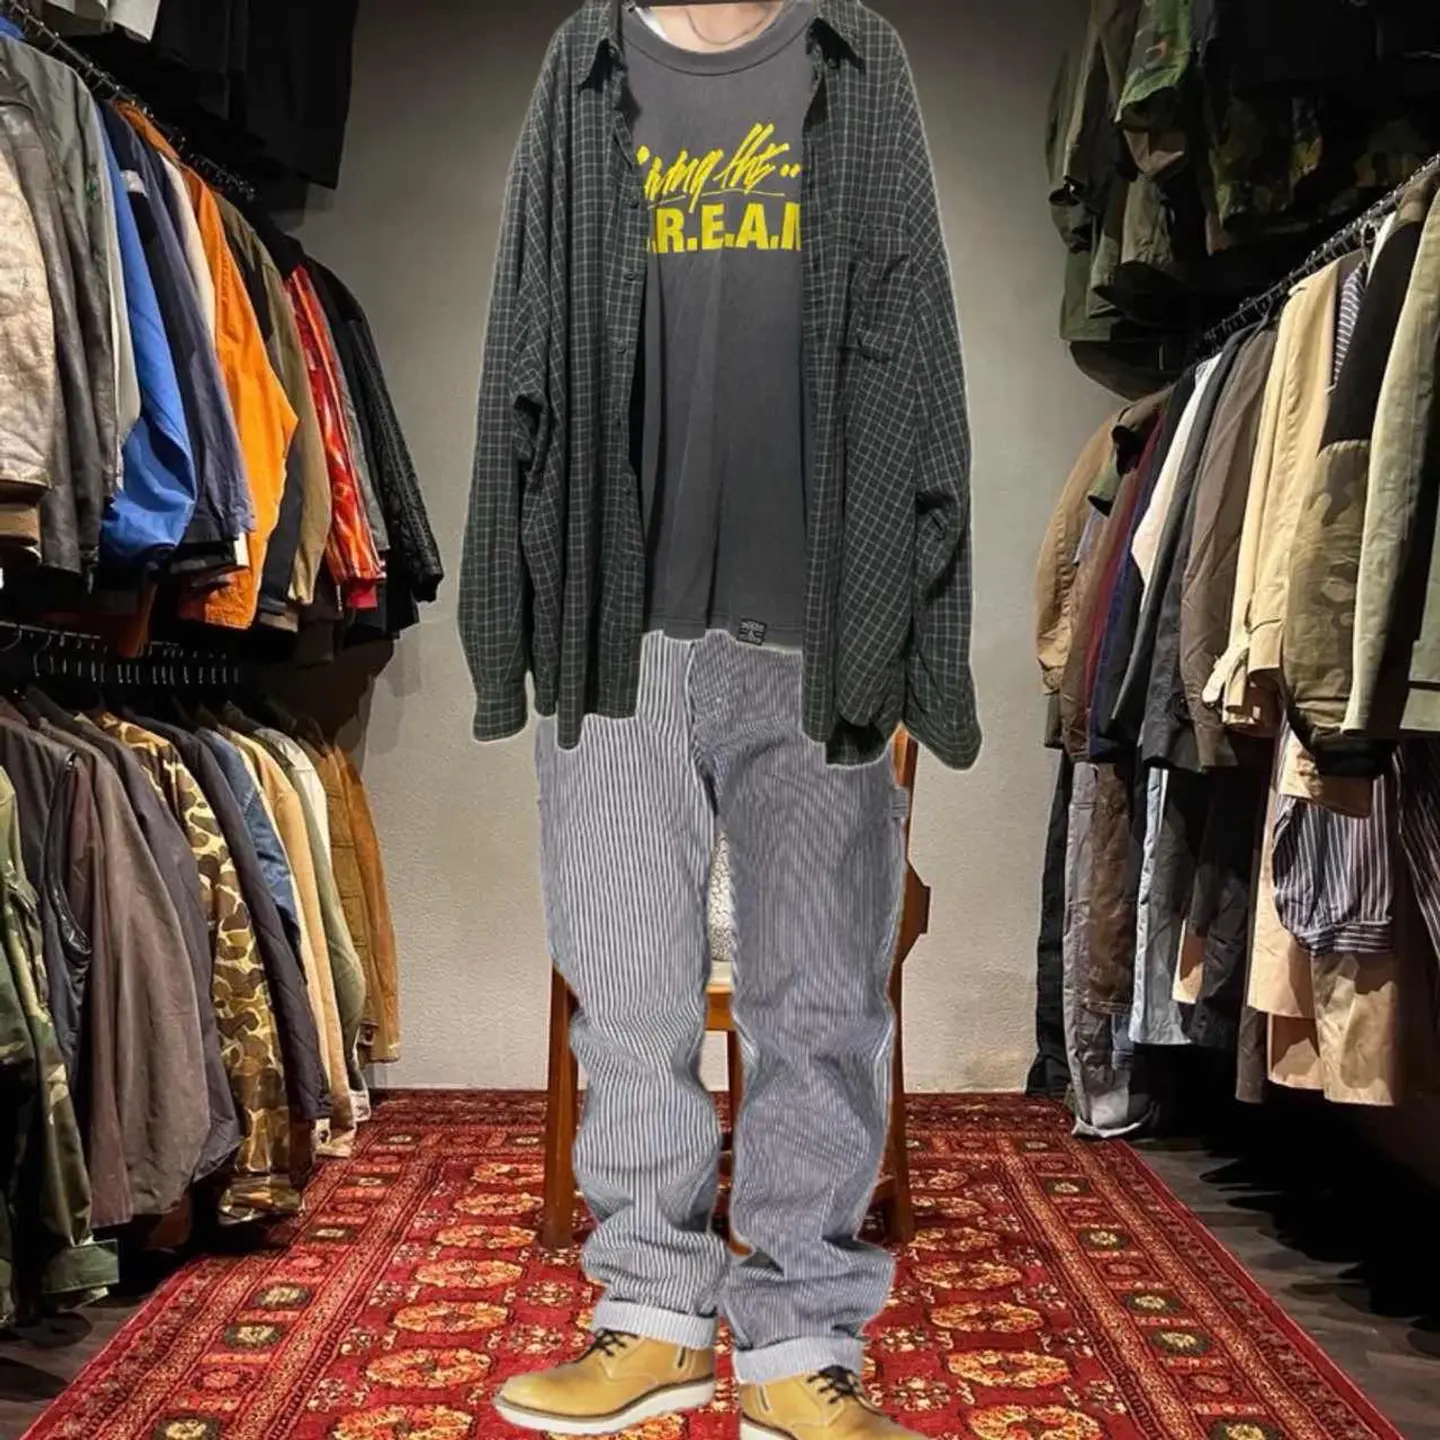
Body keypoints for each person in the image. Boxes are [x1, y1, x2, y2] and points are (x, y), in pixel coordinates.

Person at [459, 1, 977, 1434]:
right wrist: (511, 629)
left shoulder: (859, 63)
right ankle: (652, 1319)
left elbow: (921, 354)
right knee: (627, 993)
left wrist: (922, 629)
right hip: (617, 626)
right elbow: (520, 340)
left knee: (823, 1000)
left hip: (822, 621)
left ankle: (800, 1338)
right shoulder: (584, 66)